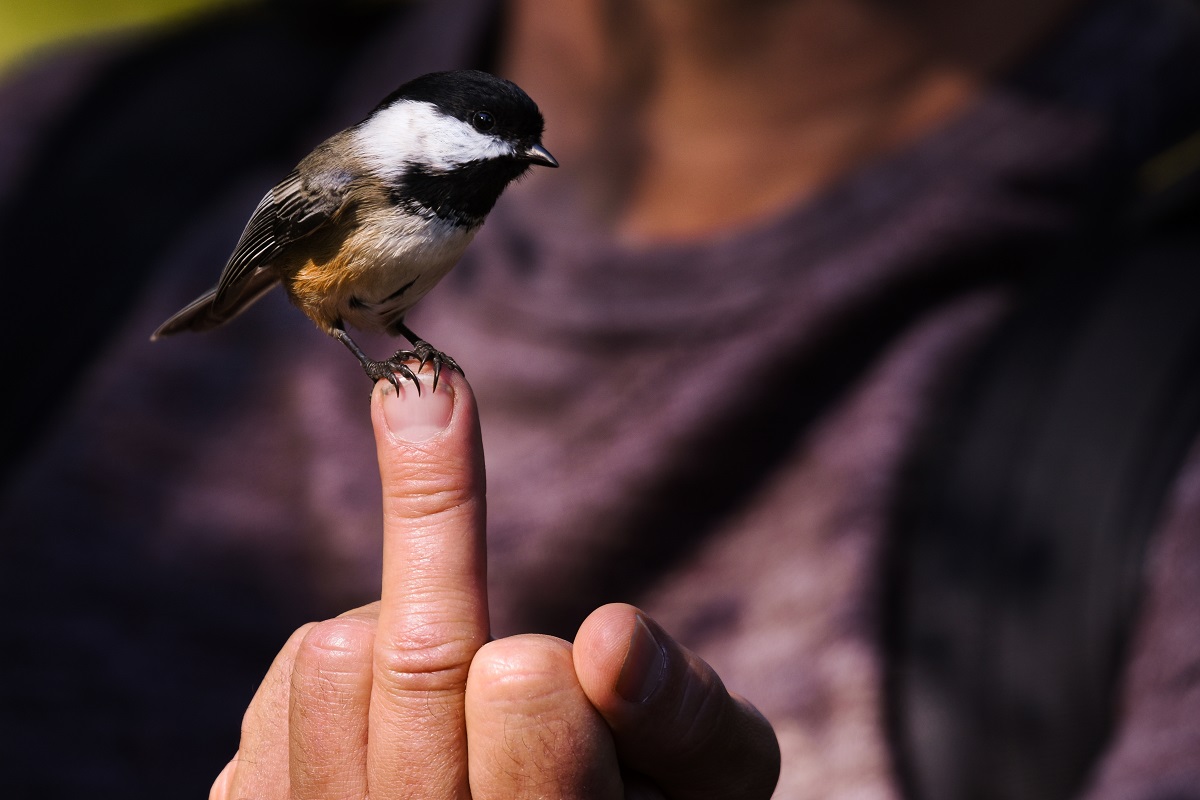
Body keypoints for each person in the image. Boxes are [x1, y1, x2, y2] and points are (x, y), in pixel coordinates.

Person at [1, 0, 1198, 797]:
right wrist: (359, 342)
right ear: (434, 132)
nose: (519, 162)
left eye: (524, 146)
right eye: (499, 139)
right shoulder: (76, 155)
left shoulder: (1153, 359)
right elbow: (290, 247)